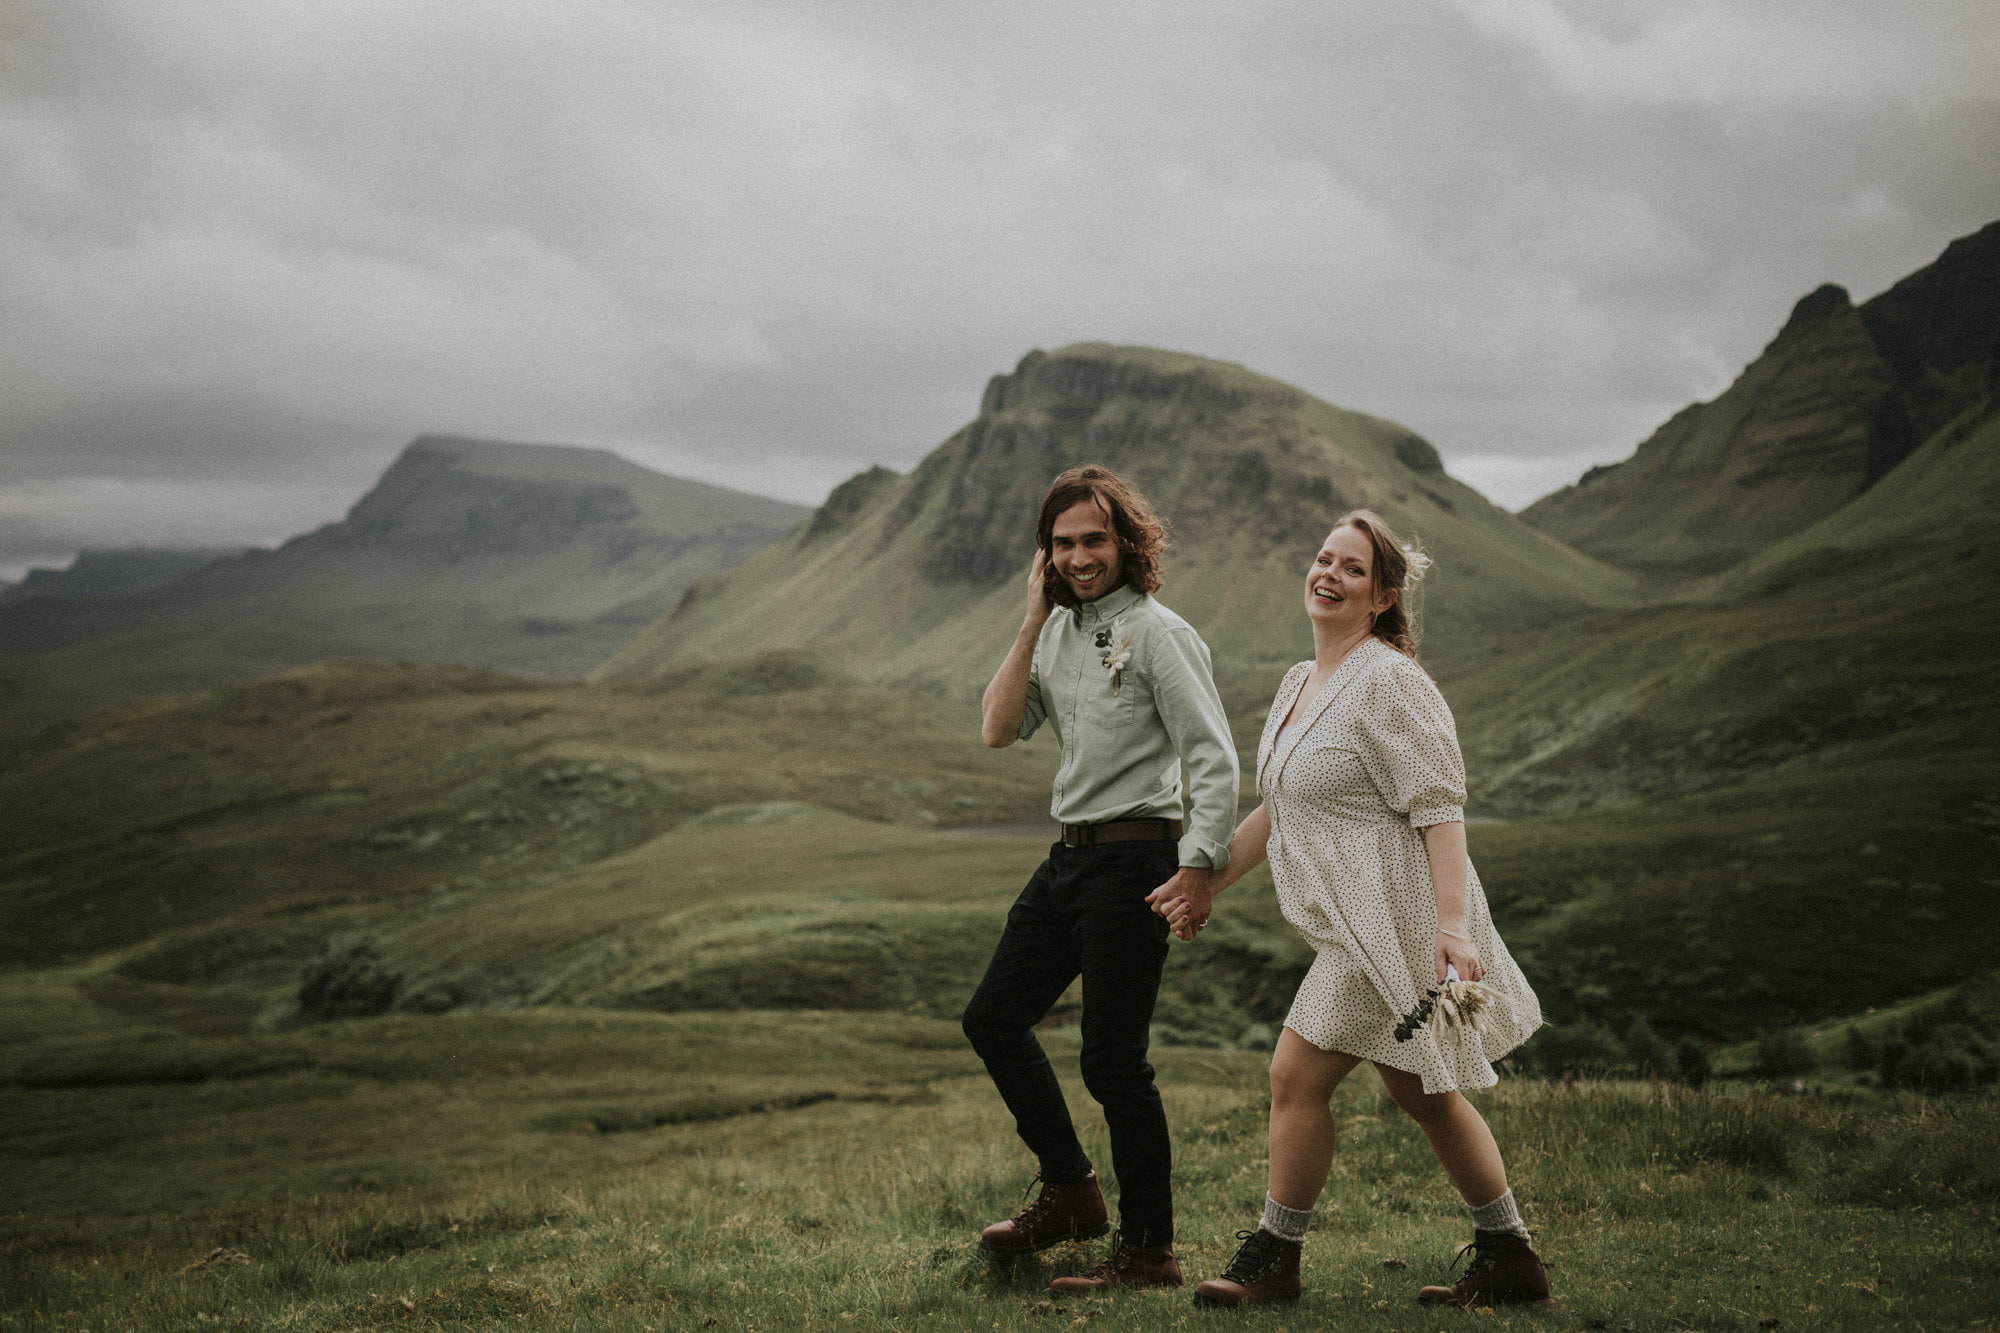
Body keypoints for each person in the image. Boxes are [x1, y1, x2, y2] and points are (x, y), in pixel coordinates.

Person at [1147, 509, 1549, 1310]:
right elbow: (1282, 808)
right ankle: (1510, 1257)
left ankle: (1275, 1256)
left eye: (1352, 569)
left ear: (1382, 596)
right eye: (1324, 558)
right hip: (1352, 926)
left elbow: (1440, 805)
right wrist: (1203, 882)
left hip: (1395, 923)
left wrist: (1452, 927)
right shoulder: (1303, 679)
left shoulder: (1391, 679)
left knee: (1295, 1075)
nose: (1328, 574)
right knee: (1423, 1094)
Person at [963, 464, 1239, 1296]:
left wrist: (1198, 867)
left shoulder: (1159, 632)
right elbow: (998, 729)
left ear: (1126, 540)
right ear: (1045, 555)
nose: (1079, 556)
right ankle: (1074, 1192)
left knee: (1113, 1062)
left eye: (1093, 539)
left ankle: (1149, 1251)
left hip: (1137, 861)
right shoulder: (1052, 631)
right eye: (1062, 543)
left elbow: (1214, 757)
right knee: (992, 1018)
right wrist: (1028, 621)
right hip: (1069, 859)